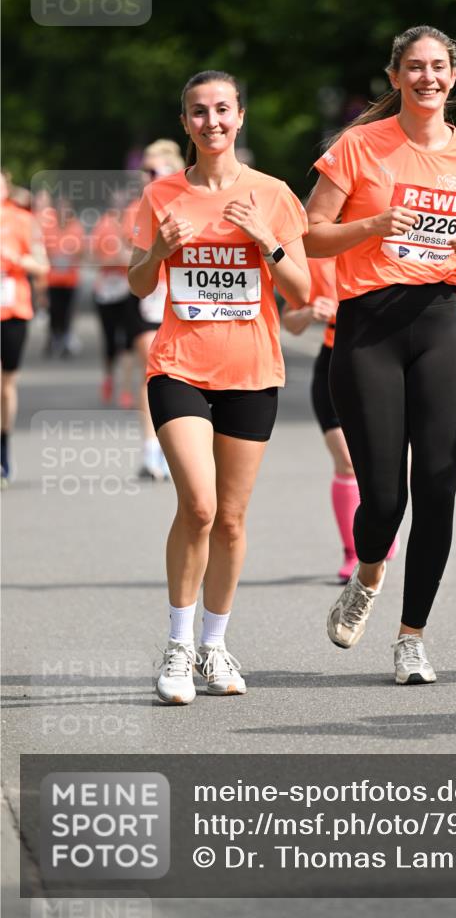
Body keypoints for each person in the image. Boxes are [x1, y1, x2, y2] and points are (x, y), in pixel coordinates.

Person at [305, 26, 456, 684]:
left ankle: (411, 637)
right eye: (414, 67)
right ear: (393, 76)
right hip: (367, 328)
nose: (427, 77)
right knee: (385, 500)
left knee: (438, 489)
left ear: (454, 77)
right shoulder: (358, 147)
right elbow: (309, 237)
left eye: (439, 66)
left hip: (440, 322)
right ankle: (367, 574)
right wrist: (370, 225)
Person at [128, 70, 310, 704]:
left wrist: (266, 242)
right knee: (199, 506)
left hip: (252, 372)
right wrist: (159, 251)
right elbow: (138, 282)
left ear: (240, 117)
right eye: (199, 112)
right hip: (178, 364)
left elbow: (303, 293)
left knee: (231, 520)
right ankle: (178, 647)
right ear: (185, 123)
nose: (212, 122)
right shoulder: (161, 196)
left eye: (223, 110)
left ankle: (214, 643)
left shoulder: (275, 195)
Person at [282, 255, 399, 580]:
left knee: (389, 461)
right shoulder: (314, 257)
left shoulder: (384, 243)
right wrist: (310, 312)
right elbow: (290, 321)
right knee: (346, 460)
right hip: (337, 361)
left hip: (384, 359)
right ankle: (354, 553)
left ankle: (382, 521)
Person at [123, 140, 187, 476]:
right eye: (142, 169)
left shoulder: (191, 199)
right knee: (151, 371)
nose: (145, 176)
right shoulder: (138, 206)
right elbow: (126, 252)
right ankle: (151, 450)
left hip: (188, 300)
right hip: (149, 296)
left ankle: (179, 444)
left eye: (152, 169)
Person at [0, 170, 49, 486]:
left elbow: (42, 265)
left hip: (14, 310)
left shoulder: (22, 220)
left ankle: (4, 444)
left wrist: (13, 257)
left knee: (6, 386)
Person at [90, 194, 134, 404]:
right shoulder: (102, 226)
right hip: (106, 291)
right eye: (116, 203)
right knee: (109, 341)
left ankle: (125, 389)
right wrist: (113, 260)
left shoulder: (133, 223)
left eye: (123, 203)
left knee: (126, 341)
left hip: (128, 290)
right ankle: (108, 378)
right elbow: (92, 259)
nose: (120, 206)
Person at [39, 195, 85, 358]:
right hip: (52, 279)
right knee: (53, 312)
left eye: (66, 209)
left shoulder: (76, 227)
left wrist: (69, 256)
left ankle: (65, 340)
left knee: (67, 312)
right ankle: (52, 339)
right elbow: (42, 249)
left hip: (70, 280)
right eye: (60, 208)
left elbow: (82, 251)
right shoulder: (49, 227)